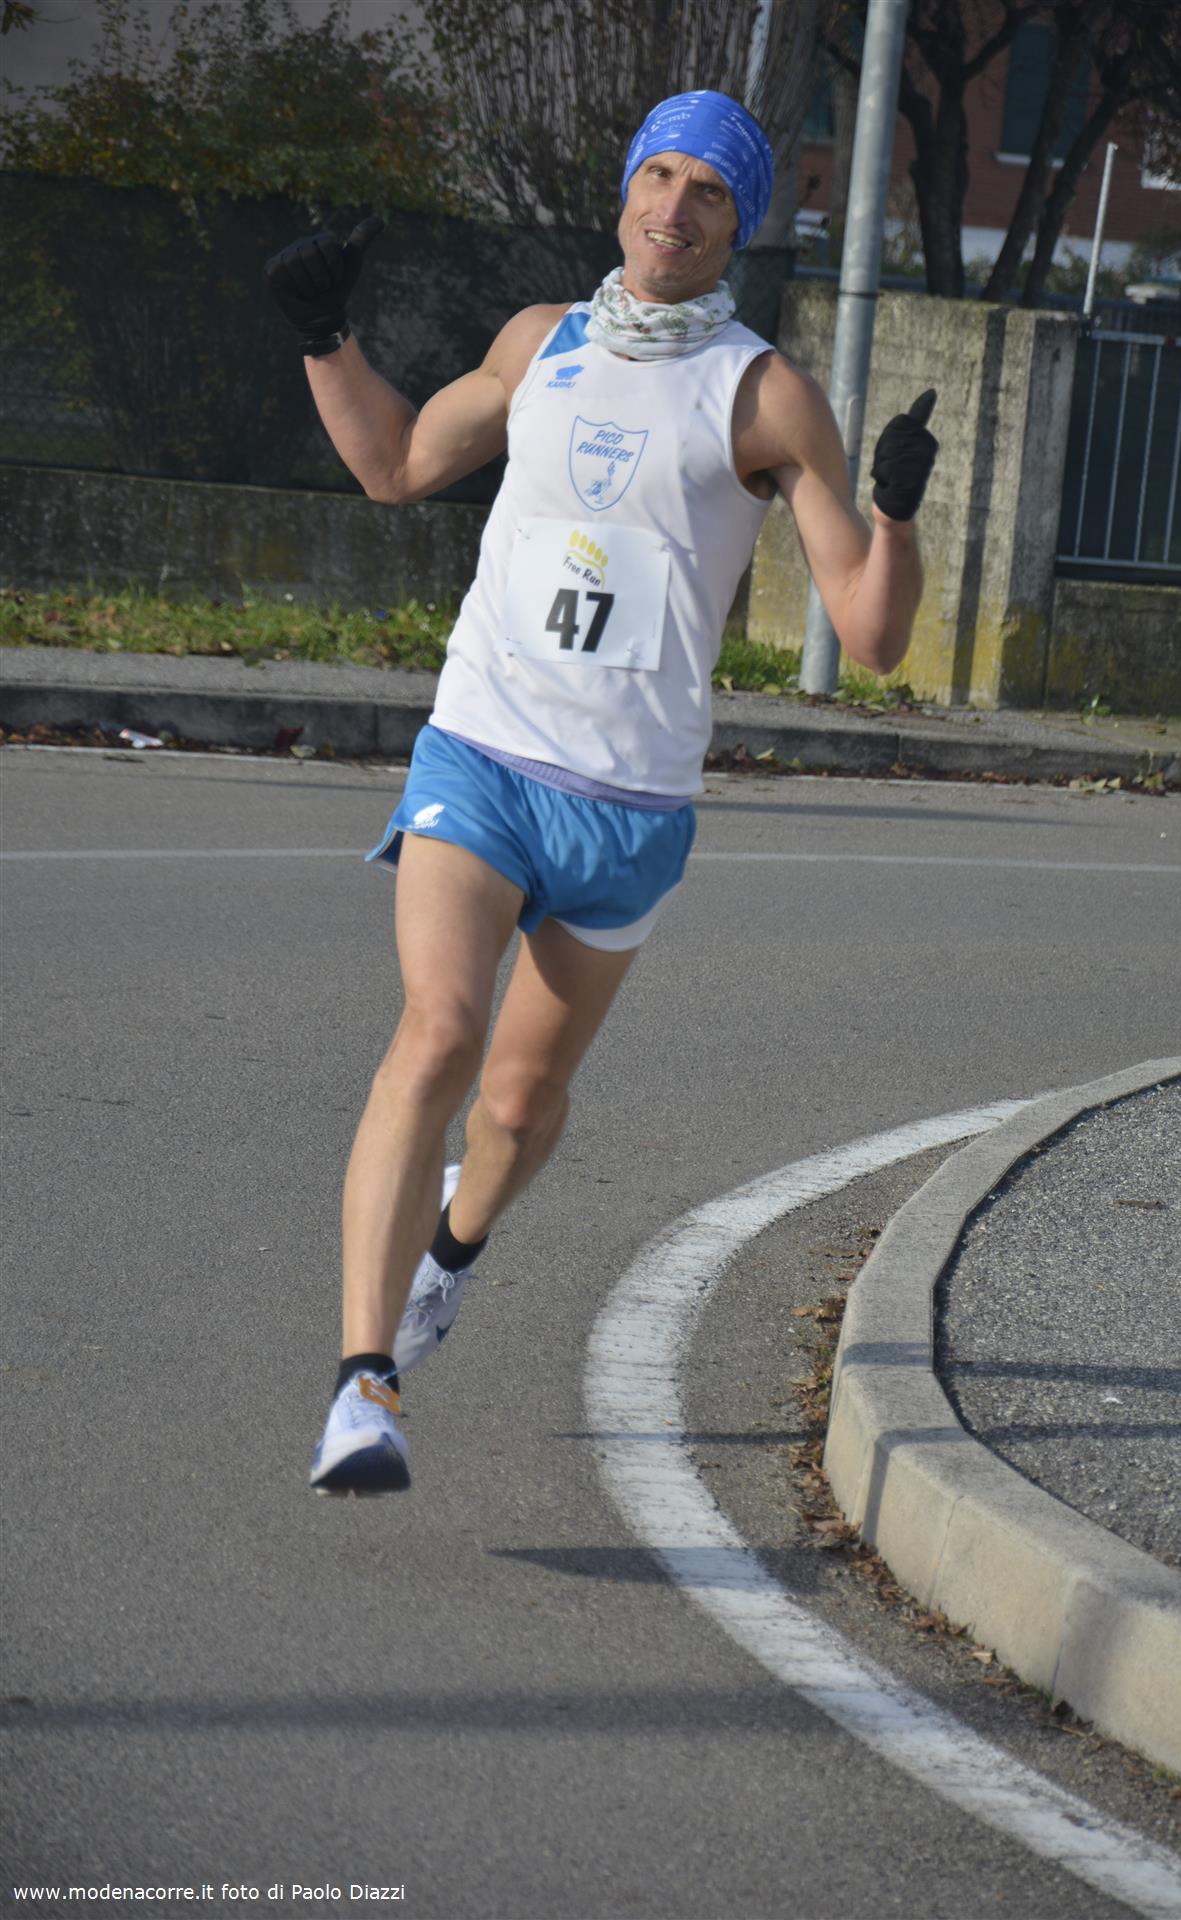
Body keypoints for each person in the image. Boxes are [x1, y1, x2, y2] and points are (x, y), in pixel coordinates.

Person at [265, 90, 939, 1496]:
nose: (674, 208)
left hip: (629, 806)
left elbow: (871, 636)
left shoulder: (763, 394)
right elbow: (395, 465)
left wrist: (894, 514)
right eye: (660, 176)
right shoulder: (541, 342)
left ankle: (454, 1247)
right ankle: (362, 1385)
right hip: (484, 752)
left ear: (738, 225)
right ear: (628, 189)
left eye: (709, 191)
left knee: (519, 1107)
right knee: (441, 1032)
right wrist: (326, 337)